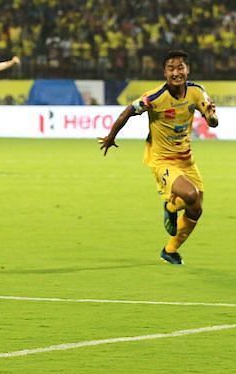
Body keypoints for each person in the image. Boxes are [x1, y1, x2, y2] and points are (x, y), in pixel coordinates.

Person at [98, 50, 218, 265]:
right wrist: (110, 136)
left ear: (187, 70)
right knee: (190, 195)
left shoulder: (197, 92)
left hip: (187, 159)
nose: (176, 72)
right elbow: (128, 111)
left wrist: (211, 115)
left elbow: (212, 121)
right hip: (162, 160)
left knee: (196, 209)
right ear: (164, 72)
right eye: (171, 68)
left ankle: (170, 250)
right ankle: (171, 206)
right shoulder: (155, 98)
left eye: (180, 67)